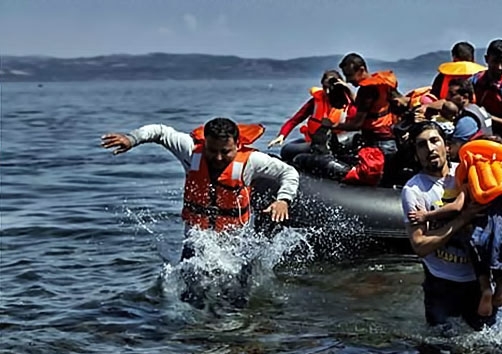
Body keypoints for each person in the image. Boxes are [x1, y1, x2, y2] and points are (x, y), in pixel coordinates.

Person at [101, 118, 299, 290]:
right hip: (198, 238)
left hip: (237, 243)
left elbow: (289, 173)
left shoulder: (252, 161)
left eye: (226, 151)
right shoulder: (190, 151)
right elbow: (161, 132)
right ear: (204, 143)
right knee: (191, 290)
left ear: (238, 144)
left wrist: (283, 199)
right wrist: (132, 139)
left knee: (235, 295)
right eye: (212, 151)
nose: (218, 158)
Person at [408, 138, 502, 317]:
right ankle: (501, 289)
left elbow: (457, 207)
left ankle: (486, 288)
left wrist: (427, 215)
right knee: (499, 259)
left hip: (481, 233)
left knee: (478, 256)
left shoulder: (470, 180)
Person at [401, 121, 498, 330]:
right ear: (416, 154)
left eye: (434, 141)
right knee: (437, 352)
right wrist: (463, 219)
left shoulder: (467, 173)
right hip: (441, 284)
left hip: (477, 281)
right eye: (421, 145)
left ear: (447, 146)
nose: (430, 149)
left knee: (489, 347)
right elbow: (419, 246)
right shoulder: (414, 190)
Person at [332, 52, 400, 185]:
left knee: (374, 179)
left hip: (377, 144)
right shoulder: (384, 84)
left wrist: (331, 125)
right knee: (388, 178)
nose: (348, 80)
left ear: (362, 70)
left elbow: (357, 124)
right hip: (390, 140)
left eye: (350, 75)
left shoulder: (366, 90)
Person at [268, 70, 356, 163]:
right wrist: (282, 135)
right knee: (287, 151)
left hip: (340, 143)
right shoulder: (315, 101)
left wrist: (349, 90)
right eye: (324, 87)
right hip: (316, 143)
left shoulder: (350, 104)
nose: (327, 91)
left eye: (330, 87)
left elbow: (361, 122)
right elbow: (295, 120)